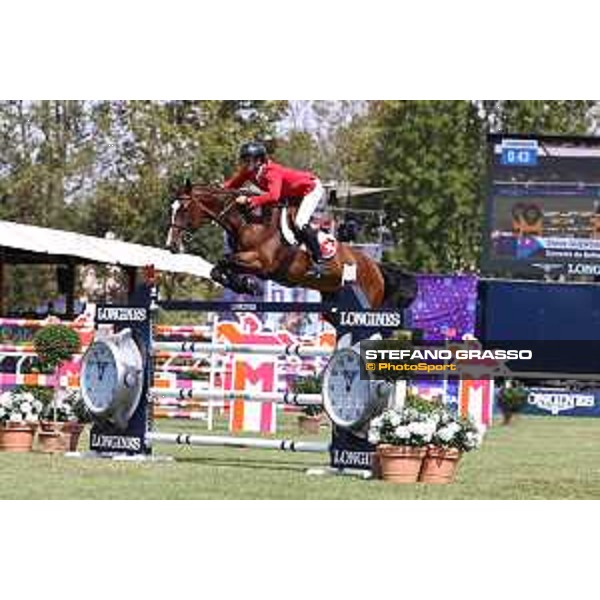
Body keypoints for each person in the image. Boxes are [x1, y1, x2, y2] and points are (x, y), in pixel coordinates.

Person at [224, 141, 326, 277]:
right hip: (291, 194)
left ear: (259, 160)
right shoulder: (249, 172)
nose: (245, 163)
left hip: (310, 189)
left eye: (249, 160)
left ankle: (319, 262)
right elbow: (229, 186)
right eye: (244, 160)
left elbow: (273, 195)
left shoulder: (271, 172)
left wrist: (249, 200)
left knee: (300, 222)